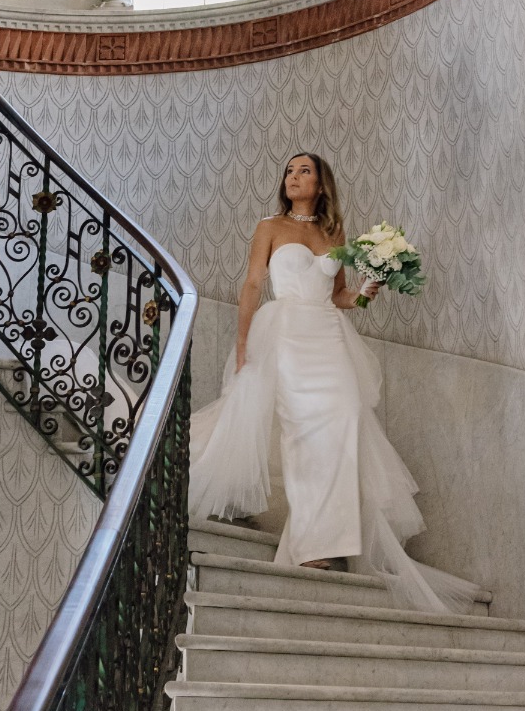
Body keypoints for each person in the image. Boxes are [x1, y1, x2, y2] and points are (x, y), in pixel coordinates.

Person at [188, 151, 480, 614]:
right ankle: (312, 547)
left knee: (345, 419)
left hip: (328, 336)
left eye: (304, 171)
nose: (293, 177)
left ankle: (332, 536)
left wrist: (368, 290)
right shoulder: (270, 227)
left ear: (322, 184)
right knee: (301, 432)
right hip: (285, 334)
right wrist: (242, 345)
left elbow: (341, 296)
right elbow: (251, 285)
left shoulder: (333, 233)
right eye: (289, 170)